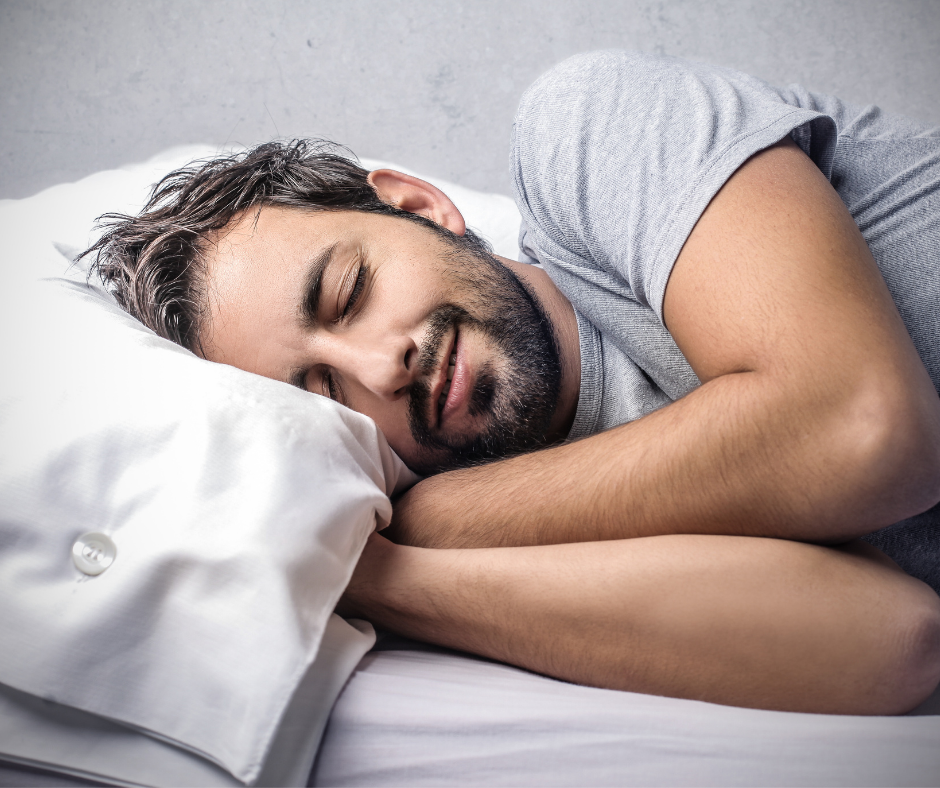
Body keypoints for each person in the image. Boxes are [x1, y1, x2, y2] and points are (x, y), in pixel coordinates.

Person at [84, 51, 940, 715]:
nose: (381, 368)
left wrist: (435, 520)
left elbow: (866, 431)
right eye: (326, 396)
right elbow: (896, 643)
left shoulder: (591, 128)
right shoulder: (525, 550)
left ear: (420, 209)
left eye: (350, 295)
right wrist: (379, 576)